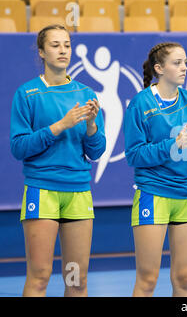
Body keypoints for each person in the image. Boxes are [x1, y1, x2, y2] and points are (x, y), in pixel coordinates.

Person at [10, 24, 106, 297]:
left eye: (66, 44)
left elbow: (96, 151)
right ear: (41, 51)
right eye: (55, 45)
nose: (62, 50)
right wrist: (59, 126)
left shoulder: (86, 93)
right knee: (39, 277)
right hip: (43, 192)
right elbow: (18, 148)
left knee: (76, 279)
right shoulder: (27, 94)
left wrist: (90, 128)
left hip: (78, 193)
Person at [124, 42, 187, 297]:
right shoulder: (140, 104)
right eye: (177, 63)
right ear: (159, 68)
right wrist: (173, 144)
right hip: (153, 193)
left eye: (185, 63)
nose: (184, 68)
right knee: (147, 279)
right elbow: (134, 155)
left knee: (185, 278)